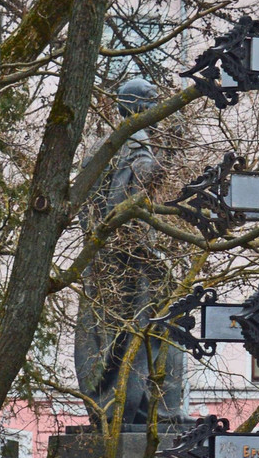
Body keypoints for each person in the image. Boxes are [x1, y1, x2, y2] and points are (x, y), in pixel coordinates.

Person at [74, 79, 184, 428]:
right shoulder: (136, 145)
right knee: (159, 328)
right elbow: (126, 206)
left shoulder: (104, 146)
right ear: (138, 108)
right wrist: (171, 150)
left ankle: (122, 409)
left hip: (105, 258)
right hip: (127, 260)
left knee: (112, 338)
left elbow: (88, 206)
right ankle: (153, 411)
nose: (158, 111)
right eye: (153, 103)